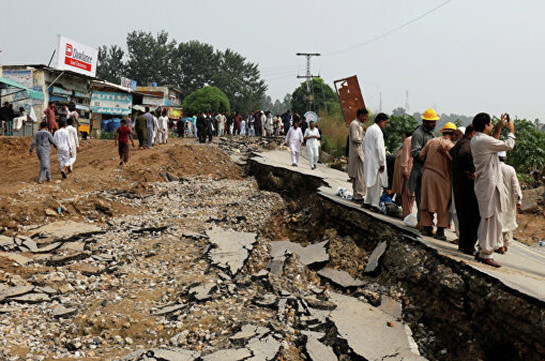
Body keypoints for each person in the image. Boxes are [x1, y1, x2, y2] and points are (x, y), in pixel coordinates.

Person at [471, 113, 516, 268]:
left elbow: (494, 142)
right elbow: (508, 145)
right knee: (491, 219)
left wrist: (498, 127)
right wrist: (511, 131)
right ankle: (486, 253)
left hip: (486, 183)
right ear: (485, 126)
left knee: (488, 218)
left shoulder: (478, 139)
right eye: (490, 124)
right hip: (489, 183)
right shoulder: (483, 140)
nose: (491, 126)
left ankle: (482, 248)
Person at [419, 122, 457, 240]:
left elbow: (421, 155)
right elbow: (456, 163)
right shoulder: (451, 146)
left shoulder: (432, 141)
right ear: (453, 134)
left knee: (426, 201)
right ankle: (440, 231)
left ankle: (426, 227)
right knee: (443, 203)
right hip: (443, 177)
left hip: (427, 174)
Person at [450, 125, 480, 255]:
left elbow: (452, 152)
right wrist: (470, 170)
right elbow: (464, 154)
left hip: (459, 185)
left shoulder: (460, 142)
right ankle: (468, 246)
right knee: (473, 217)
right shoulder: (467, 145)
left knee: (463, 217)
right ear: (473, 134)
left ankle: (463, 244)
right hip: (467, 186)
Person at [409, 108, 438, 224]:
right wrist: (428, 156)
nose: (434, 124)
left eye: (434, 122)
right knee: (422, 199)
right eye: (432, 122)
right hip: (420, 171)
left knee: (428, 199)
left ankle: (427, 221)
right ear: (425, 122)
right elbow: (415, 152)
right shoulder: (418, 134)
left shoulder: (431, 134)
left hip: (429, 171)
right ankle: (422, 222)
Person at [363, 113, 389, 211]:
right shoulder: (378, 131)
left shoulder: (369, 129)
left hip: (369, 159)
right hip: (376, 160)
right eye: (385, 123)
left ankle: (367, 201)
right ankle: (374, 204)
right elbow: (380, 148)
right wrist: (382, 163)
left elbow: (363, 144)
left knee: (370, 181)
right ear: (381, 121)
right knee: (377, 183)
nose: (385, 125)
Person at [498, 151, 522, 254]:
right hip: (508, 200)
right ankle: (504, 245)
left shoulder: (491, 167)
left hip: (494, 199)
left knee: (495, 222)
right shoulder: (510, 169)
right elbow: (515, 186)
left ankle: (495, 244)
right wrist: (518, 200)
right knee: (507, 223)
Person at [348, 108, 368, 203]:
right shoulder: (354, 124)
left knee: (358, 175)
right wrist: (364, 138)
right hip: (357, 153)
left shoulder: (358, 125)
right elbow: (355, 138)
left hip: (359, 152)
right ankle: (358, 195)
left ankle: (356, 194)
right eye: (364, 116)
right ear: (360, 115)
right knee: (359, 175)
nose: (365, 118)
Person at [399, 132, 414, 218]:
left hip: (416, 172)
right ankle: (407, 215)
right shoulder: (409, 141)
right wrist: (405, 169)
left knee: (412, 196)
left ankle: (408, 215)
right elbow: (406, 156)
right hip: (409, 170)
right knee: (406, 194)